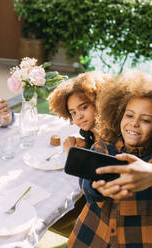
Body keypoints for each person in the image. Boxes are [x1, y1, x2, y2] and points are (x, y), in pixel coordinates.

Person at [68, 70, 152, 248]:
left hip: (136, 241)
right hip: (90, 236)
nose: (134, 123)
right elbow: (85, 184)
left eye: (146, 120)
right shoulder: (104, 146)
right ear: (118, 114)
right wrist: (95, 187)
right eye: (129, 115)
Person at [48, 71, 109, 237]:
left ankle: (79, 235)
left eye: (84, 107)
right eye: (73, 112)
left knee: (50, 213)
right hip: (93, 200)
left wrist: (73, 154)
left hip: (103, 209)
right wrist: (86, 147)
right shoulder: (92, 132)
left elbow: (96, 178)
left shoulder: (109, 136)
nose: (79, 116)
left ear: (99, 101)